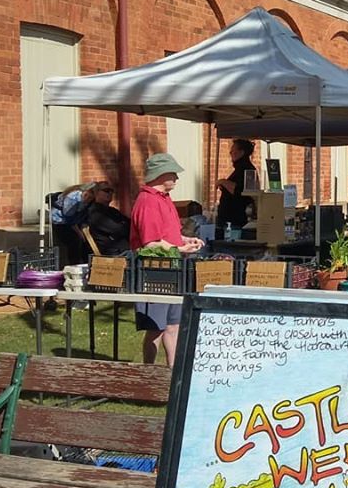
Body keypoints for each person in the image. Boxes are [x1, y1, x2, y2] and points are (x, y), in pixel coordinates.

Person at [131, 153, 204, 366]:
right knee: (155, 329)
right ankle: (149, 373)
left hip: (172, 270)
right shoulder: (148, 201)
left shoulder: (164, 199)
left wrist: (185, 239)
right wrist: (180, 248)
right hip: (153, 272)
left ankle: (174, 373)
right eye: (173, 174)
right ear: (161, 175)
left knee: (174, 326)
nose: (177, 179)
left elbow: (168, 235)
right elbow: (151, 243)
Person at [51, 182, 97, 266]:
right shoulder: (72, 198)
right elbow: (68, 216)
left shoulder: (89, 201)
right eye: (87, 196)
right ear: (84, 191)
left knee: (86, 242)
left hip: (76, 221)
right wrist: (79, 232)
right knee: (75, 241)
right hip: (62, 222)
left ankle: (86, 263)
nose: (88, 199)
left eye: (90, 198)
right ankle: (74, 265)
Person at [216, 138, 257, 231]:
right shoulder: (239, 169)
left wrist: (222, 181)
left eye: (233, 150)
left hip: (235, 221)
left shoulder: (247, 170)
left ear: (241, 152)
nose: (230, 153)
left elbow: (239, 190)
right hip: (229, 220)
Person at [86, 181, 131, 255]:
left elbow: (130, 225)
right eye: (106, 190)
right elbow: (119, 229)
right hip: (111, 254)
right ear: (96, 193)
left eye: (111, 191)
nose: (110, 193)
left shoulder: (112, 211)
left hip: (123, 250)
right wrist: (123, 225)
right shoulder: (94, 212)